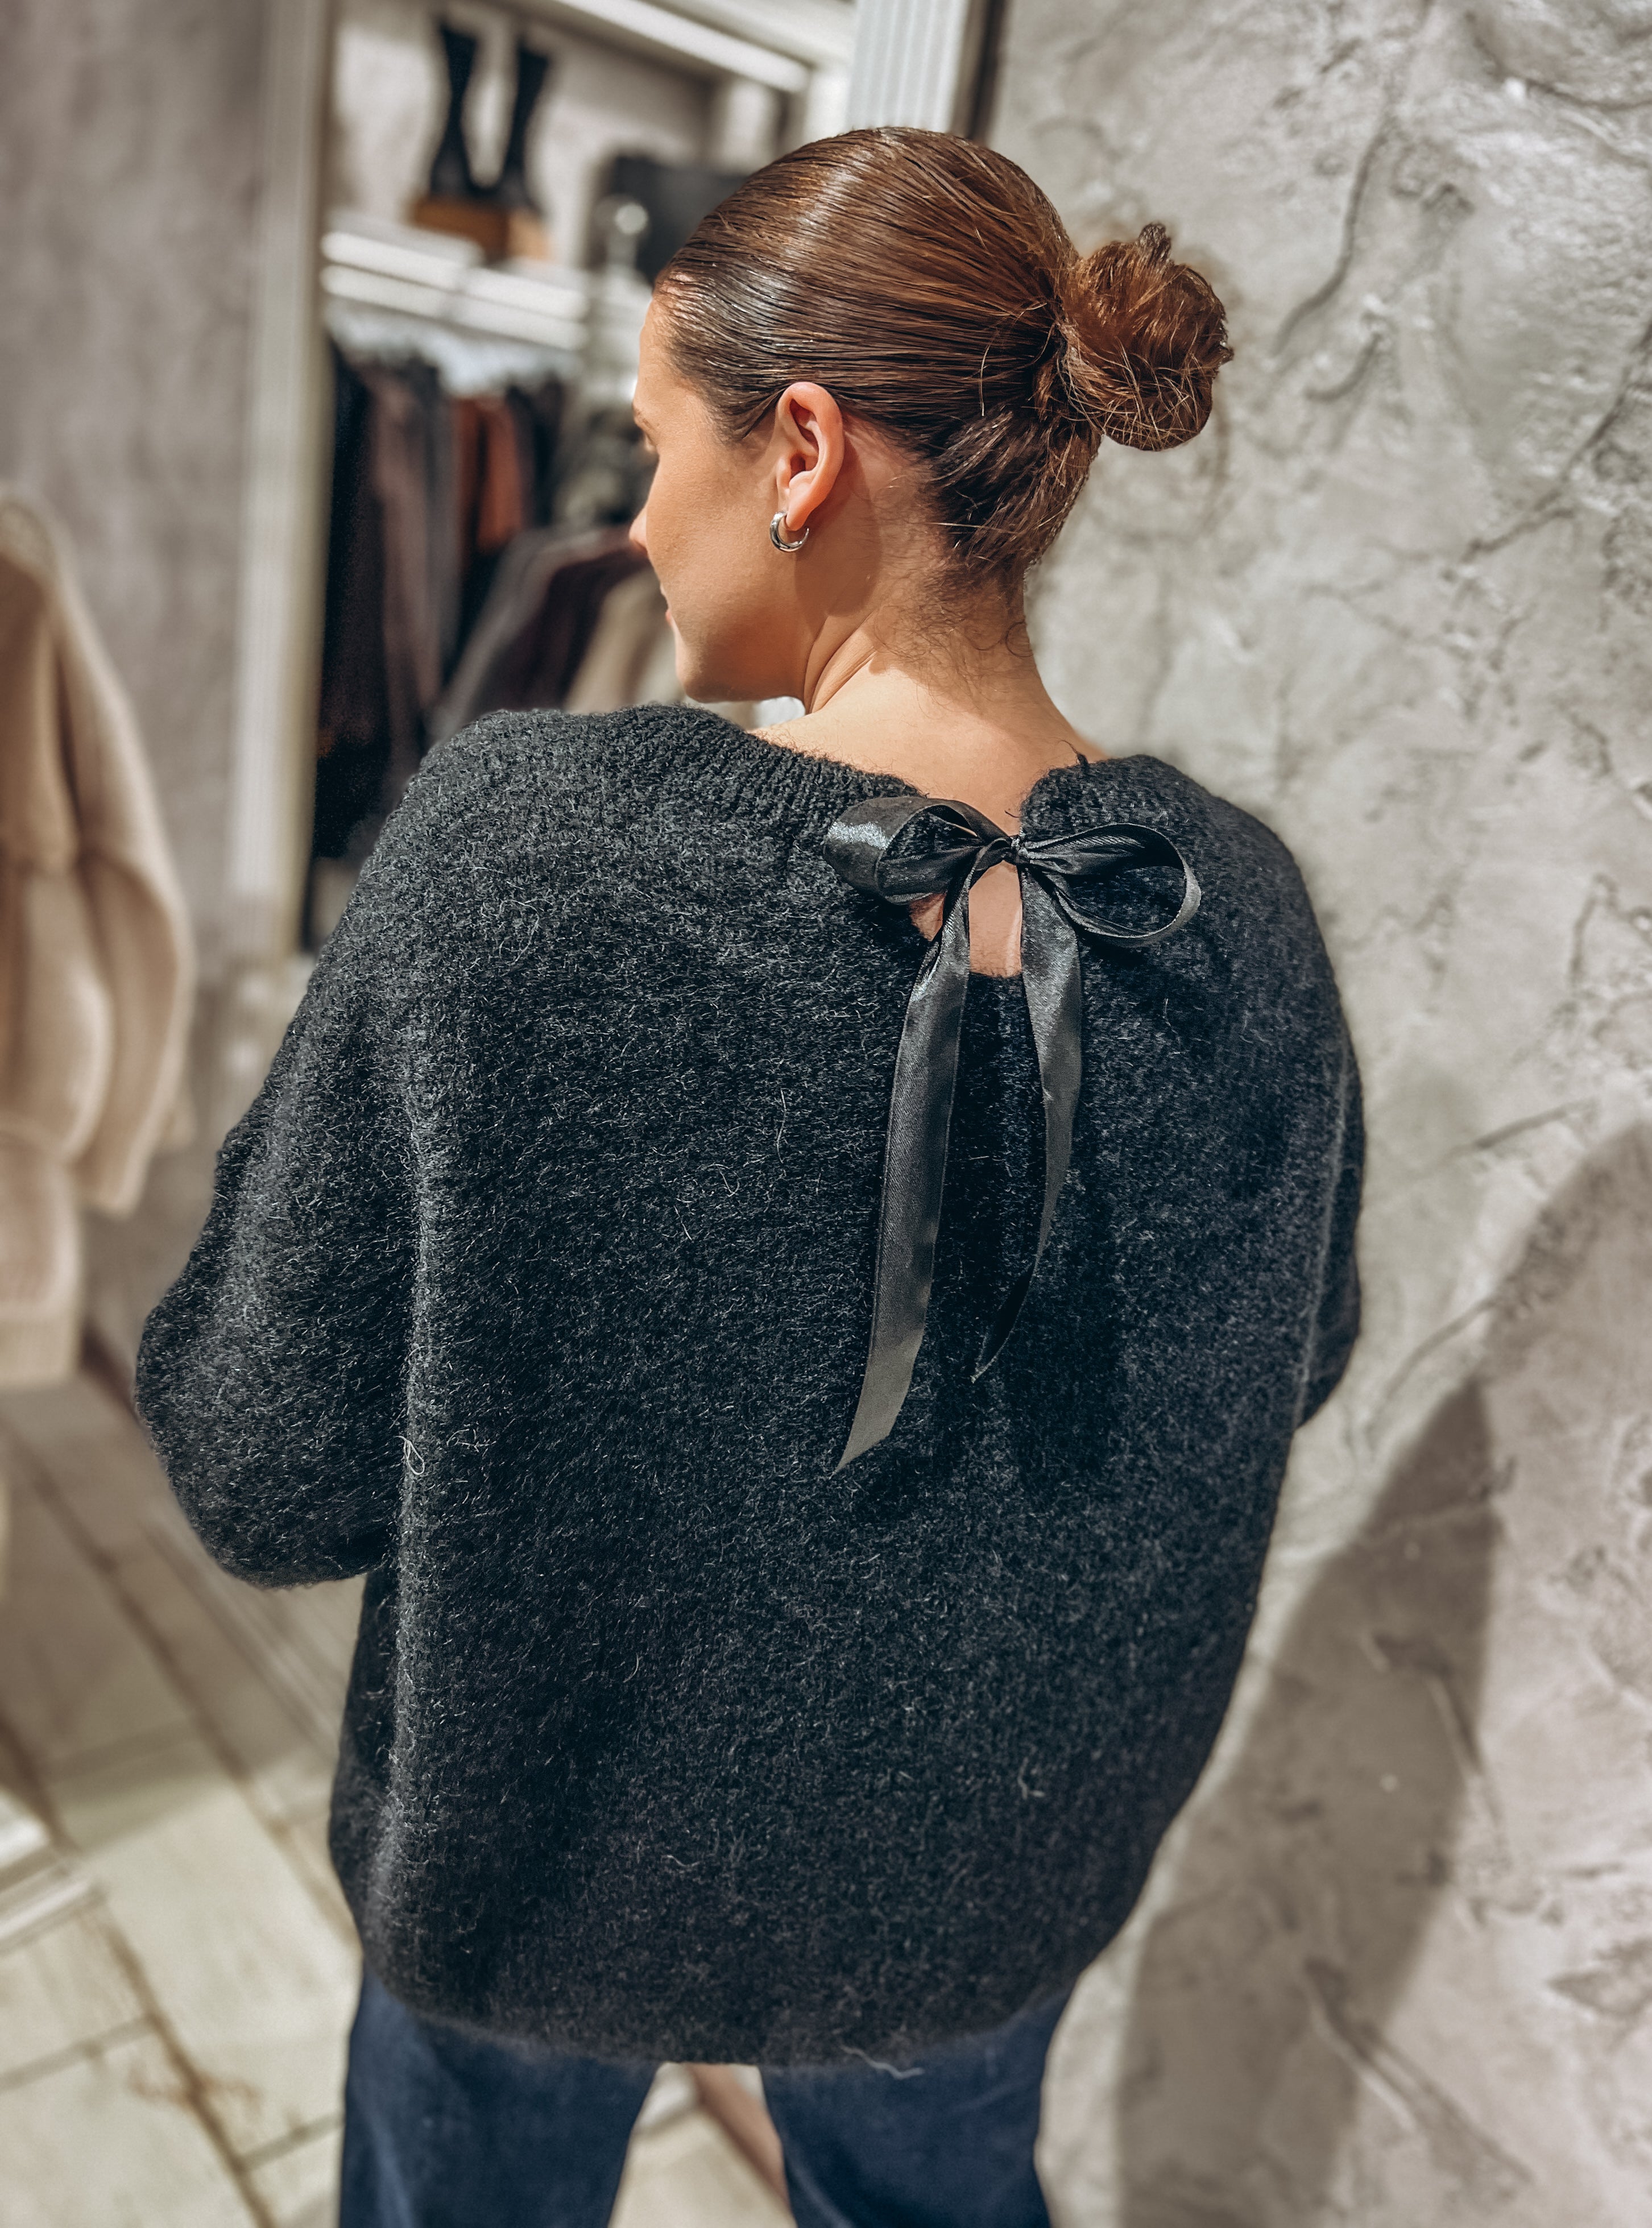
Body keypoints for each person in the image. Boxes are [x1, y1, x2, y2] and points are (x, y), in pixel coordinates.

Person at [134, 127, 1363, 2228]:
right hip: (990, 1867)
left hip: (541, 1850)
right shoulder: (1222, 908)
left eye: (647, 447)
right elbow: (1292, 1362)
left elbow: (266, 1467)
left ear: (800, 450)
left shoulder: (520, 857)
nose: (629, 519)